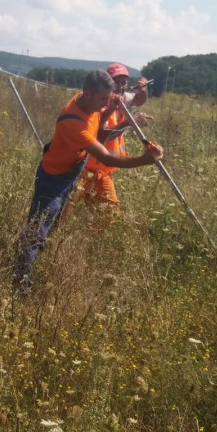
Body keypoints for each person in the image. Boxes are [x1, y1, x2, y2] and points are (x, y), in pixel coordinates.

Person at [14, 69, 163, 289]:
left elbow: (101, 127)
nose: (106, 104)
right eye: (103, 99)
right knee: (38, 228)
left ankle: (41, 258)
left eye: (108, 98)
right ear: (87, 92)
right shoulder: (74, 123)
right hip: (54, 178)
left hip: (74, 169)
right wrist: (145, 159)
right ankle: (20, 281)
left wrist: (109, 108)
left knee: (53, 223)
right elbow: (104, 156)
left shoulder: (90, 103)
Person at [81, 62, 152, 211]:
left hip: (104, 169)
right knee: (67, 212)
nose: (120, 86)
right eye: (116, 82)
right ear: (108, 84)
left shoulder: (122, 98)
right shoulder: (101, 103)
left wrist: (143, 90)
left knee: (109, 214)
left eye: (123, 82)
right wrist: (130, 123)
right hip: (87, 167)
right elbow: (102, 135)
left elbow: (139, 100)